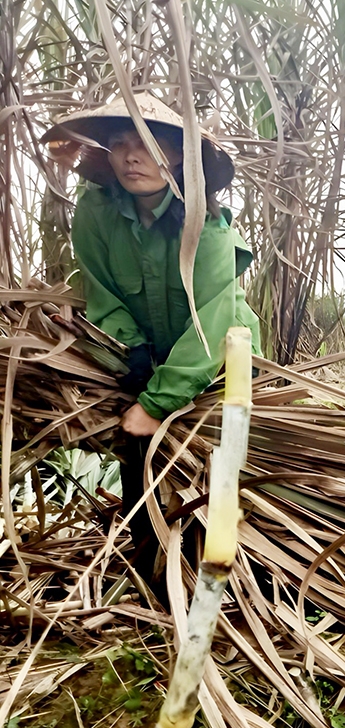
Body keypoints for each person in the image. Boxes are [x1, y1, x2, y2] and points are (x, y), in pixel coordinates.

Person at [43, 94, 262, 592]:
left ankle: (228, 577)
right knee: (135, 452)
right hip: (141, 355)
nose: (131, 157)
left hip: (222, 366)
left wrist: (157, 402)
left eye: (147, 143)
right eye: (119, 144)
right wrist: (134, 356)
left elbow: (213, 324)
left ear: (178, 156)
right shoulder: (96, 212)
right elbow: (101, 292)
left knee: (217, 466)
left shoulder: (205, 224)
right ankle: (147, 565)